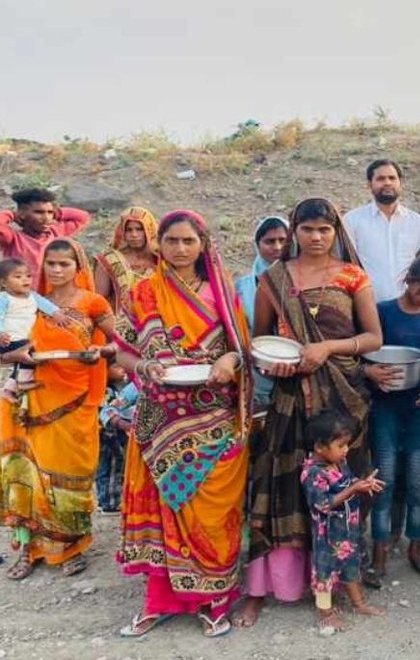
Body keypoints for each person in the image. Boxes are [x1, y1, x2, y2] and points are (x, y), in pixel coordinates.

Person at [239, 198, 383, 627]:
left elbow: (373, 338)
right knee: (279, 485)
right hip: (289, 398)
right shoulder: (274, 279)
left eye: (325, 229)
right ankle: (271, 585)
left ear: (336, 231)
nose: (317, 237)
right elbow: (260, 343)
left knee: (340, 488)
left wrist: (327, 348)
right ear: (295, 231)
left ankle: (340, 584)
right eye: (308, 229)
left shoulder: (353, 276)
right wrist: (275, 363)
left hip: (340, 399)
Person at [114, 211, 250, 638]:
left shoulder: (223, 293)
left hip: (215, 418)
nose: (179, 248)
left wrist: (230, 360)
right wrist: (146, 365)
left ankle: (214, 600)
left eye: (188, 240)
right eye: (171, 240)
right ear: (159, 244)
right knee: (163, 511)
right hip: (159, 419)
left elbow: (241, 349)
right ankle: (160, 600)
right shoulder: (142, 293)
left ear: (203, 243)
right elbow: (121, 352)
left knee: (212, 513)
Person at [0, 239, 116, 581]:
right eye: (50, 263)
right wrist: (12, 356)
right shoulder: (29, 303)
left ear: (78, 267)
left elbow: (120, 342)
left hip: (75, 401)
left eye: (63, 263)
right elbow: (8, 349)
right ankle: (29, 549)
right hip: (30, 398)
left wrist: (100, 352)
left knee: (68, 476)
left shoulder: (93, 302)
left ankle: (70, 547)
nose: (55, 269)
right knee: (27, 474)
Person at [364, 253, 420, 584]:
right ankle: (379, 553)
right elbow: (369, 351)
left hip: (418, 407)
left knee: (417, 481)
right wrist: (371, 373)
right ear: (408, 281)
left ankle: (416, 547)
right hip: (384, 406)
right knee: (383, 480)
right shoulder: (384, 311)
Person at [301, 411, 386, 631]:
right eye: (341, 445)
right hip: (328, 534)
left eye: (347, 444)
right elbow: (323, 504)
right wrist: (353, 489)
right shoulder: (313, 473)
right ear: (320, 447)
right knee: (325, 570)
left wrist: (362, 483)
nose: (346, 450)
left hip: (348, 529)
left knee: (351, 565)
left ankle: (358, 604)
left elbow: (349, 482)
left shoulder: (340, 462)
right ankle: (326, 613)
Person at [344, 159, 420, 302]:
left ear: (400, 183)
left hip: (408, 307)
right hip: (367, 305)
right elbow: (346, 264)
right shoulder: (352, 221)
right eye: (380, 178)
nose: (387, 183)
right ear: (369, 185)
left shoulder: (417, 222)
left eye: (392, 178)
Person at [234, 216, 290, 410]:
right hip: (258, 372)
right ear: (257, 245)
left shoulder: (303, 279)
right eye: (269, 241)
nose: (277, 247)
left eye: (283, 240)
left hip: (297, 369)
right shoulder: (242, 287)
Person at [0, 257, 67, 400]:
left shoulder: (32, 296)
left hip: (25, 339)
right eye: (18, 277)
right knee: (34, 351)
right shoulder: (4, 298)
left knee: (33, 352)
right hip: (8, 341)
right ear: (3, 283)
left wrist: (56, 312)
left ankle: (9, 389)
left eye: (28, 276)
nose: (25, 280)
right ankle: (23, 381)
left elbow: (46, 304)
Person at [0, 188, 91, 282]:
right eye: (39, 212)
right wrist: (11, 215)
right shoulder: (13, 239)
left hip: (51, 293)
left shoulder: (56, 233)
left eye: (50, 212)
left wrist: (58, 214)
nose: (46, 218)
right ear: (22, 213)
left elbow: (83, 217)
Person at [94, 206, 159, 331]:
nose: (134, 235)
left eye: (139, 229)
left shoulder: (161, 259)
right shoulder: (110, 258)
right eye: (129, 230)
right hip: (120, 327)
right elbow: (99, 299)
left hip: (158, 326)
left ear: (149, 229)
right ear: (122, 232)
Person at [97, 361, 137, 513]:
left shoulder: (121, 388)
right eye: (117, 367)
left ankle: (109, 501)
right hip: (110, 435)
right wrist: (124, 425)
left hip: (117, 434)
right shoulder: (108, 391)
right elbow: (107, 411)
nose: (123, 370)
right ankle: (110, 503)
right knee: (113, 465)